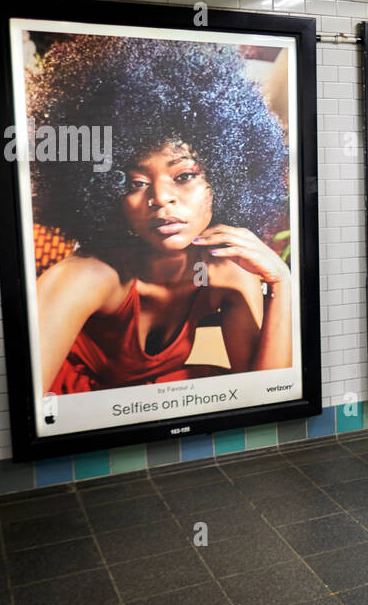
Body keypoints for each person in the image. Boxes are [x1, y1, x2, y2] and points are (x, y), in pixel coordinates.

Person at [28, 36, 294, 396]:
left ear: (225, 175)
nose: (161, 198)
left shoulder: (227, 272)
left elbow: (266, 394)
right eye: (135, 182)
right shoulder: (86, 277)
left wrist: (282, 282)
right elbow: (28, 412)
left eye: (184, 176)